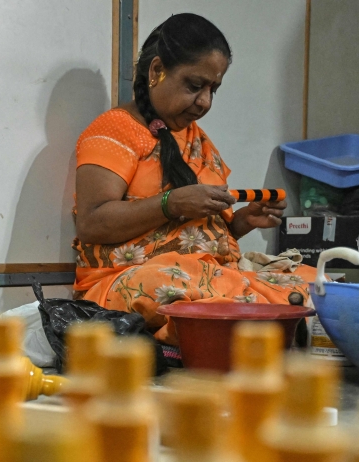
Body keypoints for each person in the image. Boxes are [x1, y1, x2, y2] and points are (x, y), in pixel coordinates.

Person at [72, 13, 316, 344]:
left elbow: (195, 242)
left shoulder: (196, 139)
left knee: (317, 283)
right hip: (124, 281)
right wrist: (172, 204)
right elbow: (92, 223)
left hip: (206, 275)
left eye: (213, 89)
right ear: (156, 71)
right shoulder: (115, 129)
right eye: (194, 86)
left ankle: (226, 323)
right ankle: (242, 323)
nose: (204, 102)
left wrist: (242, 223)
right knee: (173, 283)